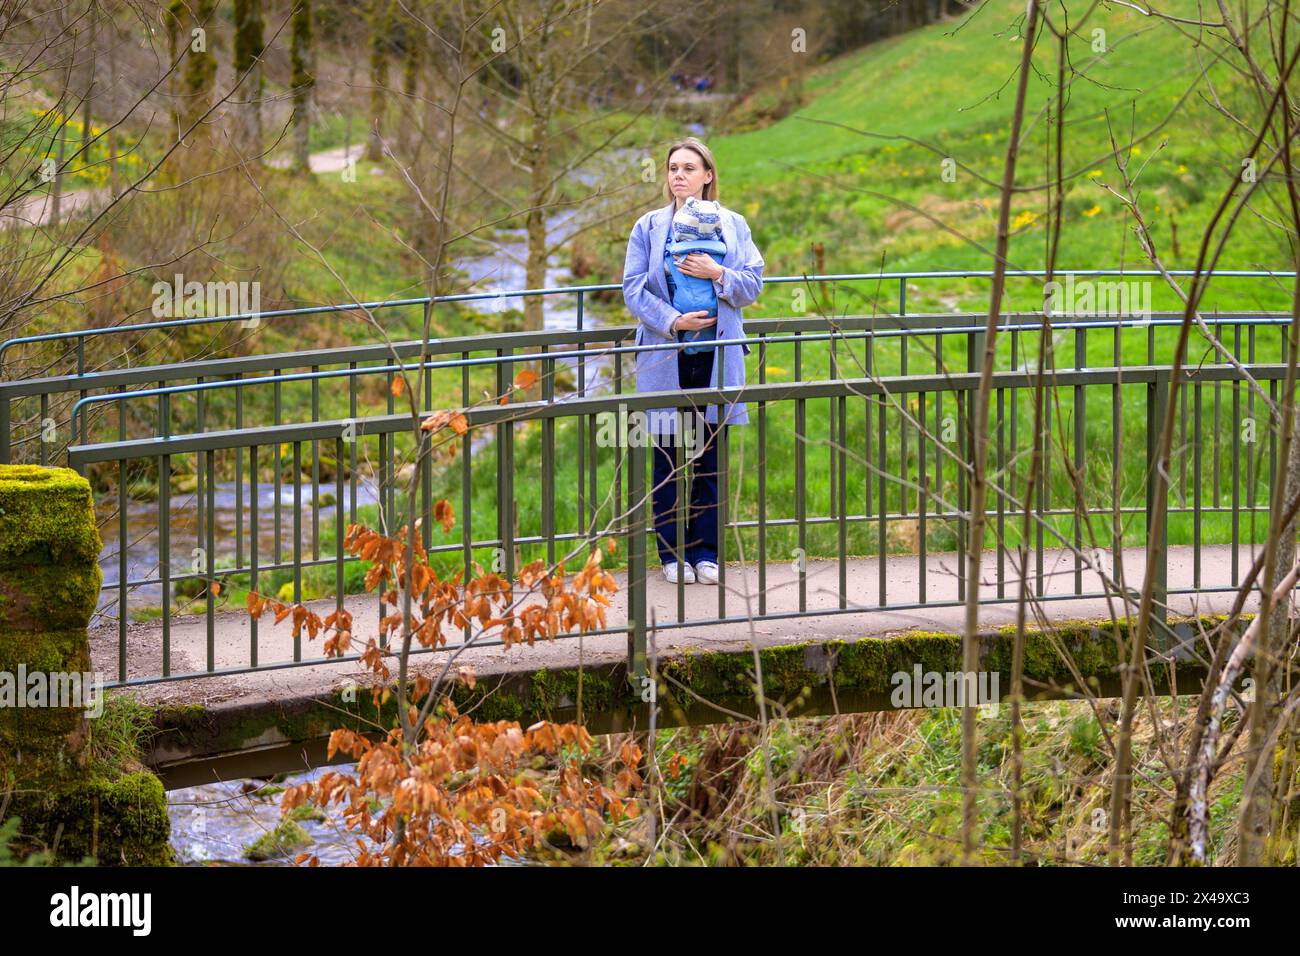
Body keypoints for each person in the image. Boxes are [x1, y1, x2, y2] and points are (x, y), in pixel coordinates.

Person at [621, 137, 765, 585]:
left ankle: (705, 553)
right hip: (667, 357)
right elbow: (632, 289)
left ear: (708, 176)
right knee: (666, 457)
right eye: (672, 168)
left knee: (708, 457)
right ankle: (670, 556)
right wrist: (673, 320)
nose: (678, 175)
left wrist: (717, 273)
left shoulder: (733, 225)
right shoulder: (648, 227)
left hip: (717, 358)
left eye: (688, 167)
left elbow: (753, 284)